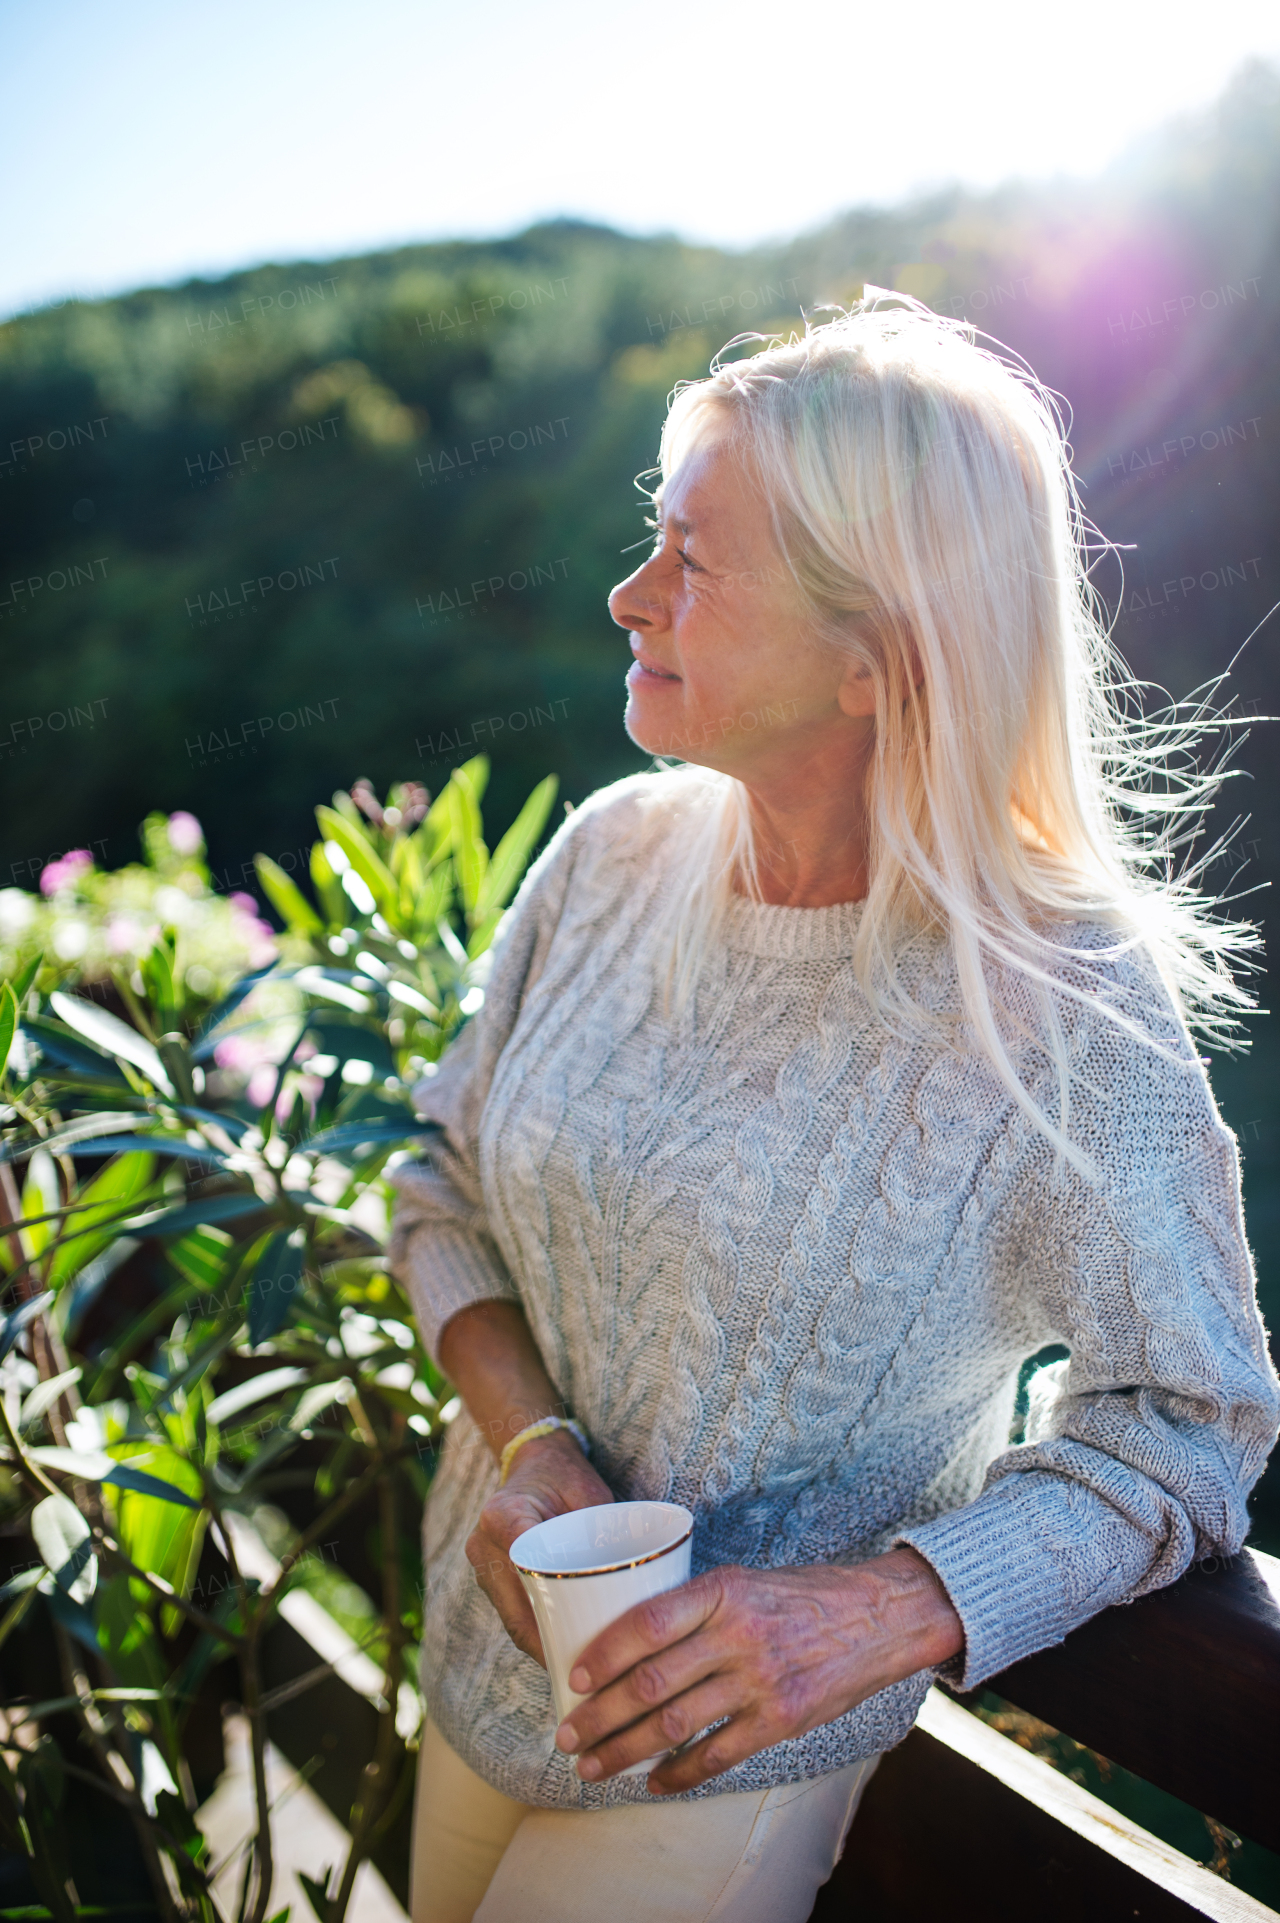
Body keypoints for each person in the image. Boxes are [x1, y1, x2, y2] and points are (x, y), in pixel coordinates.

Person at [389, 295, 1280, 1923]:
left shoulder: (1060, 1005)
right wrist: (524, 1437)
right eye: (651, 537)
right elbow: (438, 1183)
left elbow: (1196, 1419)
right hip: (472, 1668)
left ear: (876, 660)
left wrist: (889, 1608)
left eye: (695, 564)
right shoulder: (606, 860)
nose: (627, 594)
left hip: (722, 1774)